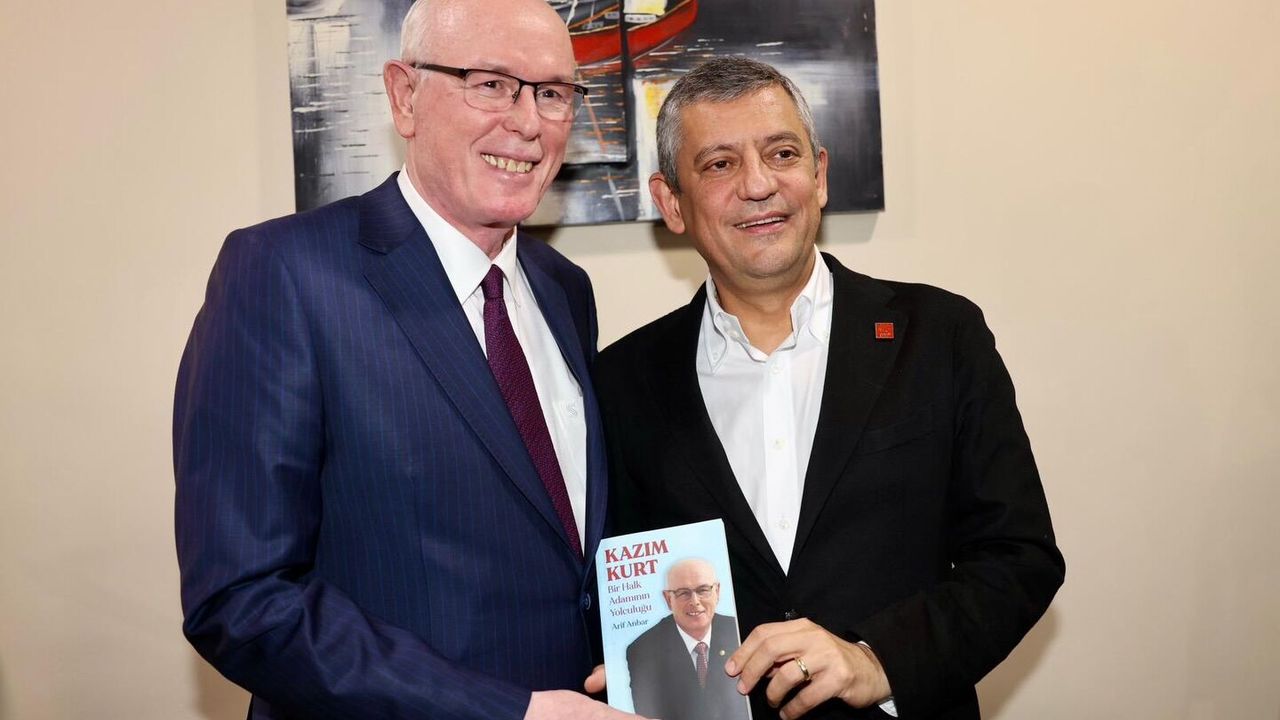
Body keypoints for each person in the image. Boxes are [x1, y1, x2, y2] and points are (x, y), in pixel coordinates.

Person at [173, 1, 639, 718]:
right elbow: (242, 600)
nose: (527, 122)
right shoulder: (283, 273)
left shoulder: (564, 289)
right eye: (490, 83)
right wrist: (507, 712)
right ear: (404, 96)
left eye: (552, 93)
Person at [594, 57, 1065, 719]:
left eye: (781, 154)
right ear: (672, 203)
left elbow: (1019, 558)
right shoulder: (621, 380)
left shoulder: (939, 336)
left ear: (818, 175)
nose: (759, 185)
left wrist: (878, 660)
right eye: (720, 164)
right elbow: (618, 582)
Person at [625, 559, 749, 720]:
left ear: (717, 592)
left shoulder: (740, 630)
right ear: (668, 599)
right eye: (683, 593)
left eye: (703, 590)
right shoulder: (642, 650)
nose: (695, 601)